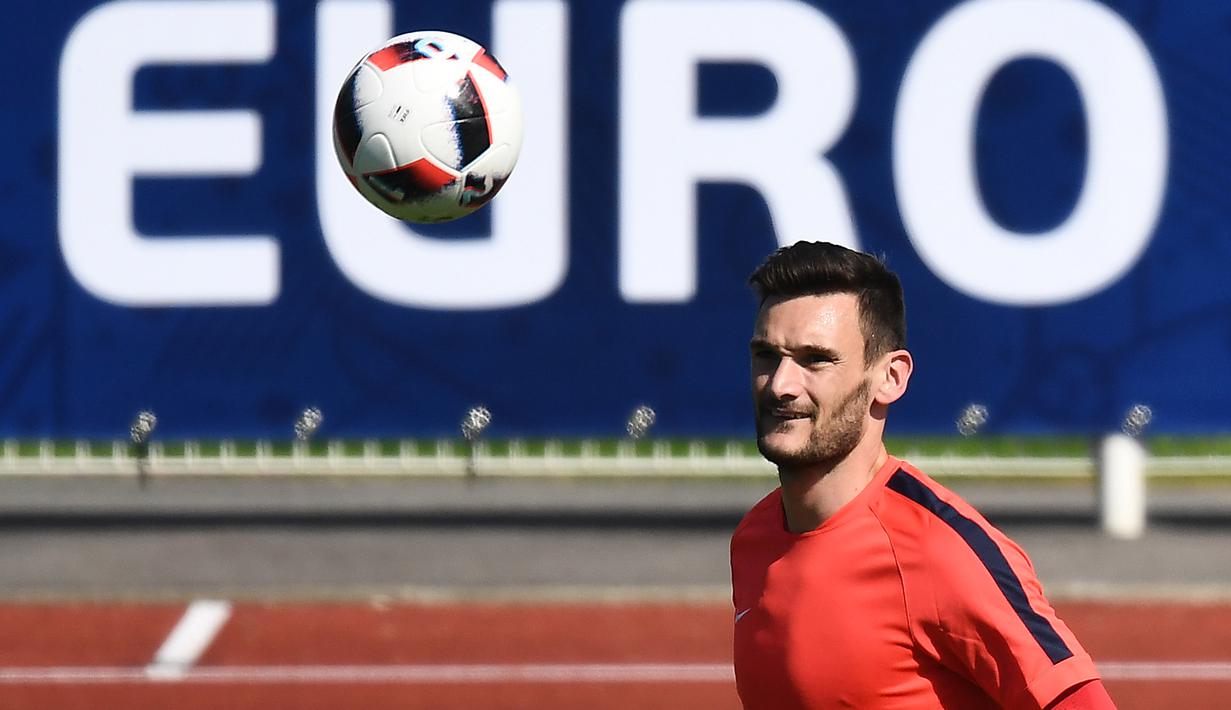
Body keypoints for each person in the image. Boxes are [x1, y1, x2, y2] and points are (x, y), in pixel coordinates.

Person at [730, 242, 1115, 709]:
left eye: (816, 360)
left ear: (890, 377)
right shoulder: (755, 537)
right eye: (767, 355)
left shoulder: (940, 550)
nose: (781, 384)